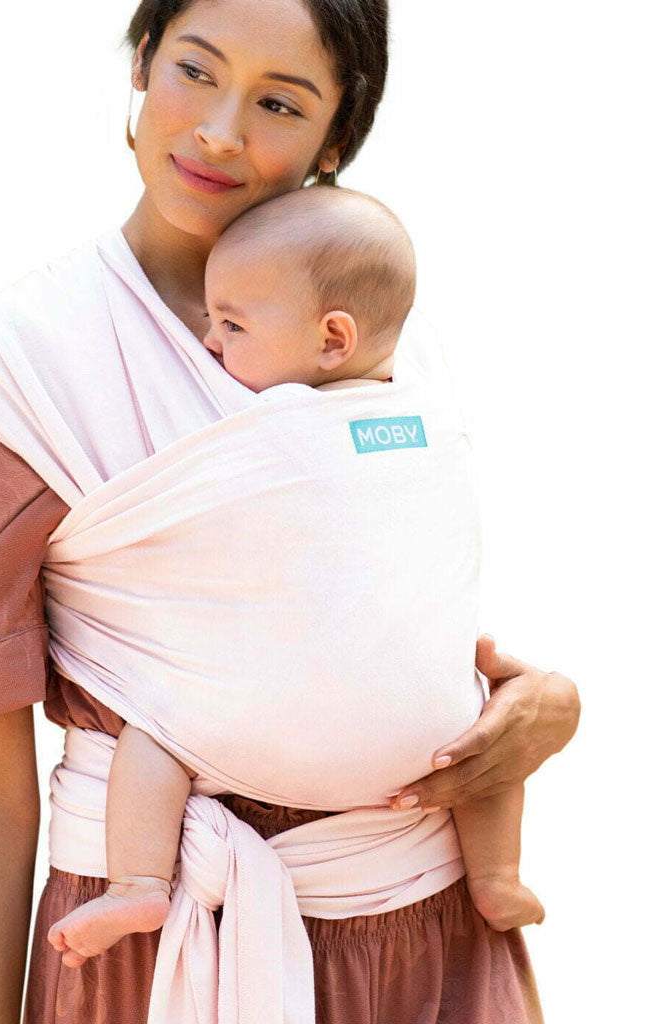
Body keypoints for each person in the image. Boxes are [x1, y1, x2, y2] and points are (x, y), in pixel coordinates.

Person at [0, 2, 580, 1021]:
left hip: (431, 932)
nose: (220, 131)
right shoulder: (14, 372)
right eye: (195, 70)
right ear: (142, 61)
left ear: (338, 136)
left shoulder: (389, 340)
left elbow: (392, 614)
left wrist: (544, 705)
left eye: (279, 103)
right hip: (156, 948)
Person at [44, 185, 543, 970]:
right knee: (488, 731)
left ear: (332, 338)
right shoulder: (436, 423)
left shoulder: (265, 429)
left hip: (264, 734)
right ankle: (497, 874)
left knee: (153, 728)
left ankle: (136, 882)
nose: (210, 343)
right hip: (430, 743)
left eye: (232, 325)